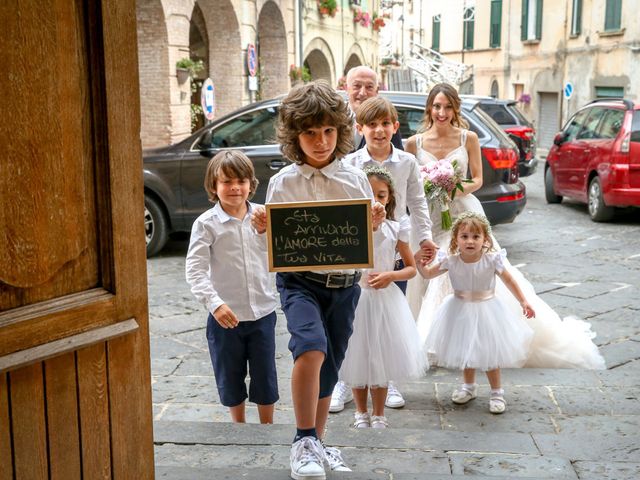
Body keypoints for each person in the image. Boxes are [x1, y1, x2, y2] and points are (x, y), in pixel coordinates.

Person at [407, 82, 606, 370]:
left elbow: (477, 179)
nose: (442, 112)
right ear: (429, 108)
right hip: (428, 216)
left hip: (462, 214)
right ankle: (428, 336)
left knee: (457, 269)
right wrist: (429, 187)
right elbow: (412, 182)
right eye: (437, 106)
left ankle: (457, 341)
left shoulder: (469, 138)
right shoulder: (415, 143)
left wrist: (453, 188)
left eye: (447, 106)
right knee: (426, 274)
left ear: (455, 109)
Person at [251, 80, 385, 480]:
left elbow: (361, 241)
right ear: (295, 136)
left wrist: (374, 223)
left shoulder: (355, 179)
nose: (320, 141)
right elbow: (270, 250)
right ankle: (302, 438)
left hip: (344, 286)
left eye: (328, 131)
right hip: (299, 282)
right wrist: (261, 228)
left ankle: (316, 444)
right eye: (310, 133)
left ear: (341, 131)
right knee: (310, 346)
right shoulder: (283, 183)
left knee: (330, 364)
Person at [332, 96, 437, 413]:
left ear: (395, 127)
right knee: (351, 320)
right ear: (360, 129)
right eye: (371, 125)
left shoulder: (406, 162)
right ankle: (344, 381)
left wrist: (426, 238)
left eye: (384, 124)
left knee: (389, 321)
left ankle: (388, 379)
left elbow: (417, 203)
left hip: (392, 244)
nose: (378, 131)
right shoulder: (350, 164)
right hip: (357, 249)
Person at [185, 150, 278, 425]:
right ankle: (238, 427)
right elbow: (195, 270)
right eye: (226, 182)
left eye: (241, 181)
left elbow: (277, 255)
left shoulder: (263, 216)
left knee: (265, 375)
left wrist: (263, 232)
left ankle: (267, 428)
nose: (235, 188)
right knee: (230, 375)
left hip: (262, 312)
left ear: (251, 183)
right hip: (225, 317)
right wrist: (215, 303)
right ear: (214, 186)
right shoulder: (205, 224)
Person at [416, 212, 535, 413]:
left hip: (487, 310)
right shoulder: (451, 261)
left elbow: (509, 280)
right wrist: (419, 263)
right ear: (456, 240)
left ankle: (497, 392)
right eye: (464, 237)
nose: (470, 241)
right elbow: (428, 274)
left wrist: (524, 301)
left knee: (490, 353)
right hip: (459, 309)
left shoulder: (492, 260)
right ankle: (468, 387)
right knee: (466, 349)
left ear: (485, 239)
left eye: (475, 237)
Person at [339, 165, 427, 428]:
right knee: (356, 354)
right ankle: (360, 412)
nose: (374, 201)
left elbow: (411, 269)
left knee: (379, 356)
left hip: (385, 300)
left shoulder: (395, 228)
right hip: (356, 298)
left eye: (381, 195)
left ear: (389, 199)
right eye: (369, 194)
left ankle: (378, 414)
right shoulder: (348, 228)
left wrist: (391, 275)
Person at [345, 65, 403, 152]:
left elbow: (398, 159)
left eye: (369, 87)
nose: (362, 93)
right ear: (346, 88)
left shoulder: (387, 119)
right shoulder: (335, 117)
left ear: (377, 91)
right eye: (357, 86)